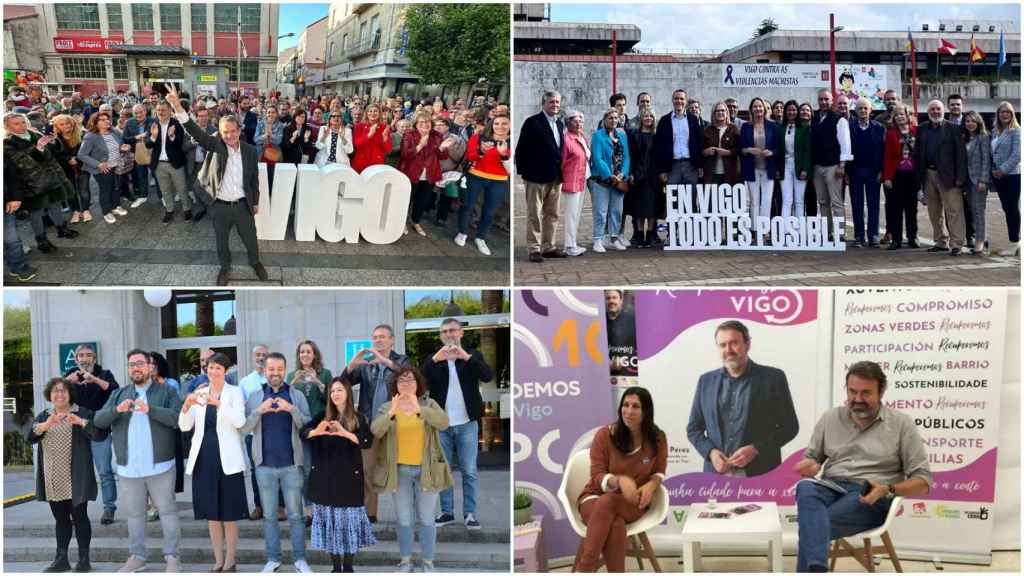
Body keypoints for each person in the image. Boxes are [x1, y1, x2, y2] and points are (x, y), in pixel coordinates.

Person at [793, 361, 932, 572]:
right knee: (805, 488)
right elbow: (813, 458)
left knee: (814, 522)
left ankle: (814, 569)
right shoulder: (831, 418)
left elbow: (923, 481)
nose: (857, 400)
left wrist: (889, 489)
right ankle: (817, 568)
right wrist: (810, 465)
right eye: (852, 391)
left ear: (881, 391)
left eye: (866, 393)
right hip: (831, 487)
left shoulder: (901, 424)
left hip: (870, 493)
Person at [167, 84, 268, 286]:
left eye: (232, 131)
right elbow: (196, 133)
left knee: (250, 238)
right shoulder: (216, 145)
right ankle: (225, 267)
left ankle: (255, 262)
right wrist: (178, 107)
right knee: (221, 241)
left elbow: (253, 180)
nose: (229, 135)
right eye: (225, 132)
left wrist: (255, 202)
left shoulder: (249, 151)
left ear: (239, 131)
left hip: (242, 206)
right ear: (220, 133)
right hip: (219, 206)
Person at [93, 349, 184, 573]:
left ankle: (172, 558)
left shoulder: (167, 391)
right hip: (128, 468)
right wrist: (117, 410)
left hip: (160, 466)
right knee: (134, 515)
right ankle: (137, 557)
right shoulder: (119, 394)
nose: (136, 367)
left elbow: (177, 418)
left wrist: (150, 409)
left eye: (140, 363)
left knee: (168, 512)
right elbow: (99, 420)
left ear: (150, 366)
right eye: (132, 364)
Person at [686, 320, 799, 477]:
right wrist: (711, 452)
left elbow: (790, 427)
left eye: (734, 343)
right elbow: (693, 429)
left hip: (761, 473)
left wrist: (756, 449)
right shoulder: (705, 381)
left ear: (747, 344)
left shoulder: (773, 378)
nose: (729, 350)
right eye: (723, 345)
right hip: (716, 475)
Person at [574, 387, 666, 572]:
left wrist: (651, 485)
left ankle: (584, 569)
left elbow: (659, 471)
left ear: (646, 411)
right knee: (615, 523)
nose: (629, 411)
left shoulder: (657, 438)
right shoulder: (605, 435)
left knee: (609, 503)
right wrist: (619, 481)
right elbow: (597, 474)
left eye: (636, 406)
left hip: (632, 502)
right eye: (625, 405)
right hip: (594, 497)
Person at [370, 368, 451, 573]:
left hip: (427, 470)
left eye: (410, 380)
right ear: (395, 385)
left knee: (426, 519)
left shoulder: (428, 404)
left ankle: (428, 563)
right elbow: (376, 430)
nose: (406, 384)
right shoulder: (388, 407)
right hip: (399, 472)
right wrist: (391, 413)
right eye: (401, 381)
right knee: (404, 520)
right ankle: (406, 561)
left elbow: (443, 423)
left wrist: (419, 409)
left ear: (418, 384)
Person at [242, 352, 313, 573]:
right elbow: (244, 428)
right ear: (264, 370)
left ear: (285, 370)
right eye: (271, 369)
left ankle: (300, 559)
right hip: (264, 466)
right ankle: (273, 558)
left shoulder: (296, 394)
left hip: (292, 465)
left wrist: (290, 409)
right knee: (270, 515)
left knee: (295, 515)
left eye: (279, 369)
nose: (275, 373)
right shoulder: (254, 396)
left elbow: (307, 424)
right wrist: (258, 411)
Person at [422, 318, 494, 530]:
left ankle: (470, 514)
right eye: (444, 331)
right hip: (442, 424)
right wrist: (436, 358)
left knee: (469, 470)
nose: (449, 334)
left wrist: (464, 356)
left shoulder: (473, 356)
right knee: (443, 469)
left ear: (461, 333)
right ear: (441, 336)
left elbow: (487, 375)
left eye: (453, 330)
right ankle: (446, 512)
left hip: (466, 424)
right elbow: (419, 380)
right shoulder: (434, 361)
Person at [179, 353, 247, 573]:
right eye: (210, 367)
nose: (213, 371)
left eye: (218, 368)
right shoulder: (199, 393)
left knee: (228, 514)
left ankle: (231, 560)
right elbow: (184, 426)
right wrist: (186, 406)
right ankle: (218, 560)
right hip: (204, 459)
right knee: (212, 515)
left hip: (228, 460)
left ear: (225, 371)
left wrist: (219, 405)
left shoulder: (234, 392)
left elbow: (240, 421)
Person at [302, 378, 377, 573]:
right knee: (330, 526)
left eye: (340, 390)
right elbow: (304, 432)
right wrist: (315, 432)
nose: (335, 394)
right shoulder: (322, 416)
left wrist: (345, 433)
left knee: (349, 524)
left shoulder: (358, 418)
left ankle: (348, 566)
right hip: (325, 479)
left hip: (349, 480)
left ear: (348, 393)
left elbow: (367, 440)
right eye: (332, 391)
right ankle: (336, 567)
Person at [28, 377, 99, 573]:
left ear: (70, 394)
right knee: (60, 518)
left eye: (63, 390)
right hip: (53, 475)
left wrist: (81, 422)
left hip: (76, 474)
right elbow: (31, 437)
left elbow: (98, 433)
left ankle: (84, 559)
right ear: (49, 396)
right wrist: (46, 425)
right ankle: (61, 559)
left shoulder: (82, 412)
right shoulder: (44, 415)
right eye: (55, 391)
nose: (59, 394)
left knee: (80, 516)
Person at [345, 324, 411, 522]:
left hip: (396, 424)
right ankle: (370, 514)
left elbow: (408, 376)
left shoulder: (402, 360)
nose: (378, 340)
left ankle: (406, 515)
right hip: (371, 426)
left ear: (392, 340)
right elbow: (344, 383)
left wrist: (384, 360)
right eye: (375, 337)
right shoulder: (367, 365)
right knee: (367, 470)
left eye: (382, 337)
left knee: (401, 470)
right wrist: (353, 363)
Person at [62, 344, 119, 525]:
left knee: (104, 472)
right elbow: (55, 394)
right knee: (75, 472)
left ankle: (109, 508)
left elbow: (115, 391)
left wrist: (94, 379)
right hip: (76, 431)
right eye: (81, 355)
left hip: (99, 430)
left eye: (88, 355)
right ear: (76, 359)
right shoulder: (70, 376)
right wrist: (68, 381)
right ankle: (76, 511)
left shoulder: (104, 374)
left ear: (94, 358)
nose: (85, 358)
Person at [3, 112, 74, 253]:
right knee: (36, 214)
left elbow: (53, 153)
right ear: (6, 127)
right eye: (16, 124)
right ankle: (41, 240)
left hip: (52, 178)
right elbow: (22, 164)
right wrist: (38, 149)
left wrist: (53, 141)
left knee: (56, 205)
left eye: (22, 122)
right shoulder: (7, 143)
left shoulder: (34, 133)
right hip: (32, 184)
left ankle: (62, 229)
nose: (21, 126)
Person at [915, 100, 968, 256]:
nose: (935, 112)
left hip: (949, 176)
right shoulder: (922, 128)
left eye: (938, 109)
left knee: (954, 210)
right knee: (934, 211)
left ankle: (957, 243)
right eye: (932, 109)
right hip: (928, 174)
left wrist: (960, 178)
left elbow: (961, 155)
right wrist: (920, 180)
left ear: (943, 111)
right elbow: (918, 154)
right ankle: (940, 241)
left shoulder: (953, 128)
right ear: (928, 111)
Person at [517, 91, 565, 262]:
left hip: (555, 176)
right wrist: (524, 172)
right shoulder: (532, 122)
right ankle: (534, 248)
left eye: (558, 102)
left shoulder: (559, 124)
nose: (555, 105)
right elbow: (521, 148)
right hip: (535, 176)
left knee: (553, 214)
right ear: (543, 103)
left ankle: (549, 246)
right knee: (534, 214)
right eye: (552, 102)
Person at [287, 340, 330, 525]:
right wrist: (294, 382)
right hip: (302, 429)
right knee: (306, 471)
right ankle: (310, 511)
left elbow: (331, 398)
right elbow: (285, 398)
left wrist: (318, 382)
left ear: (315, 354)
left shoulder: (325, 374)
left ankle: (325, 508)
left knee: (322, 469)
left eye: (308, 351)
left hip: (321, 426)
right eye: (301, 352)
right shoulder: (291, 375)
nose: (305, 355)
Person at [456, 113, 510, 256]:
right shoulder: (478, 137)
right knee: (467, 205)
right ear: (492, 124)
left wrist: (504, 155)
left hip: (499, 181)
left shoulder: (513, 141)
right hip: (475, 177)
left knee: (490, 211)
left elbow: (512, 169)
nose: (500, 126)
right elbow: (470, 156)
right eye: (497, 123)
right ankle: (462, 232)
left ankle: (480, 238)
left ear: (510, 125)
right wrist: (481, 151)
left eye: (504, 123)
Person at [810, 89, 853, 241]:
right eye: (821, 99)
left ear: (831, 101)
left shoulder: (839, 120)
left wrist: (842, 165)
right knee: (822, 201)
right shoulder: (813, 118)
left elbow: (845, 144)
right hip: (817, 166)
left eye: (826, 99)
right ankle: (827, 232)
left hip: (833, 166)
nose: (823, 102)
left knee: (836, 201)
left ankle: (840, 233)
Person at [78, 111, 132, 225]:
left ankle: (115, 206)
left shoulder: (114, 132)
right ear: (95, 123)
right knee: (106, 189)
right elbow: (81, 155)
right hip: (102, 169)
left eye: (107, 119)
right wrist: (98, 164)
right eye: (102, 119)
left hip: (117, 165)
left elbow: (120, 145)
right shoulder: (90, 136)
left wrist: (123, 147)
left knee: (116, 187)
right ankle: (106, 212)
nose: (107, 121)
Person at [590, 108, 631, 253]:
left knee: (616, 211)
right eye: (610, 118)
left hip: (619, 180)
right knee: (601, 211)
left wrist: (623, 174)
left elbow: (626, 157)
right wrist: (609, 175)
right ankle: (598, 239)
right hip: (602, 179)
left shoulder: (622, 134)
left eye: (615, 118)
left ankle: (613, 238)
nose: (613, 120)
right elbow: (597, 158)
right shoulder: (598, 135)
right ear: (604, 120)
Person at [882, 103, 920, 250]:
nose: (899, 117)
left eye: (902, 114)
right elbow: (888, 157)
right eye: (896, 115)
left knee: (912, 208)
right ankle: (896, 239)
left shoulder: (916, 131)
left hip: (912, 175)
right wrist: (887, 177)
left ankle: (912, 237)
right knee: (895, 208)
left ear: (908, 115)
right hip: (897, 175)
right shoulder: (891, 134)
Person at [401, 111, 445, 237]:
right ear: (415, 124)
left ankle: (416, 221)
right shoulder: (409, 135)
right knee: (407, 200)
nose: (425, 124)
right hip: (412, 173)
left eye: (427, 122)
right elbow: (405, 155)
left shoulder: (436, 136)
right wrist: (420, 145)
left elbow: (442, 156)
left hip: (429, 174)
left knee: (422, 201)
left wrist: (443, 148)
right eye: (421, 122)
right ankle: (402, 221)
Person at [848, 99, 886, 247]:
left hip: (873, 172)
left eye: (865, 108)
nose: (863, 111)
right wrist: (847, 172)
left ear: (870, 111)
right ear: (855, 111)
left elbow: (883, 152)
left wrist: (881, 171)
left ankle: (873, 236)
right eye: (860, 108)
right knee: (856, 205)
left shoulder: (879, 128)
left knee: (873, 205)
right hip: (855, 171)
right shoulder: (850, 128)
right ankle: (859, 236)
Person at [145, 101, 190, 223]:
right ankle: (169, 210)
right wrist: (153, 136)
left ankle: (187, 209)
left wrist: (171, 136)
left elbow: (180, 143)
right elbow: (148, 145)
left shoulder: (177, 123)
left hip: (175, 162)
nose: (161, 112)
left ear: (170, 111)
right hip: (159, 163)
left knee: (182, 188)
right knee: (165, 189)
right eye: (159, 110)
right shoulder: (153, 123)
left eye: (163, 110)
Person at [238, 345, 269, 520]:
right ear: (252, 357)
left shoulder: (274, 377)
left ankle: (279, 506)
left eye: (264, 355)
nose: (261, 357)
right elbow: (241, 409)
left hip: (272, 432)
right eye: (258, 355)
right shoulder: (245, 382)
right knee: (256, 470)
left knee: (275, 467)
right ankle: (258, 506)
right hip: (253, 434)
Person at [739, 98, 779, 230]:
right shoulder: (746, 126)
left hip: (768, 168)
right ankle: (755, 230)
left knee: (767, 201)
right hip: (752, 168)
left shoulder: (773, 125)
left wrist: (772, 152)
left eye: (760, 106)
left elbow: (779, 148)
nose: (758, 109)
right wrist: (749, 150)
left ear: (764, 108)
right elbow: (741, 149)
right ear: (751, 109)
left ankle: (765, 230)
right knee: (754, 202)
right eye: (755, 107)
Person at [654, 89, 703, 190]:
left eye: (682, 99)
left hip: (691, 166)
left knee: (691, 199)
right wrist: (662, 170)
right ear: (672, 100)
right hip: (672, 167)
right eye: (676, 98)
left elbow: (699, 143)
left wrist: (700, 165)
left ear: (685, 101)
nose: (679, 101)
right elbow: (659, 147)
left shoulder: (693, 119)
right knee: (673, 200)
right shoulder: (664, 121)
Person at [627, 109, 662, 247]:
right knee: (640, 207)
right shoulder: (635, 135)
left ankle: (651, 234)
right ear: (641, 118)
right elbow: (631, 156)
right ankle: (639, 234)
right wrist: (631, 173)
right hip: (639, 175)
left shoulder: (657, 136)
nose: (648, 118)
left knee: (652, 206)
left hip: (654, 176)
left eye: (651, 116)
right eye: (646, 116)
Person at [990, 100, 1021, 256]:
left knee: (1012, 208)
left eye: (1008, 112)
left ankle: (1016, 241)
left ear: (1012, 114)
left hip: (1012, 175)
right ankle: (1015, 240)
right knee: (1006, 208)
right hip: (998, 176)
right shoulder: (995, 131)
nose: (1005, 114)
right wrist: (994, 171)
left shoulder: (1016, 131)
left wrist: (1002, 170)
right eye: (1002, 112)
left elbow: (1017, 155)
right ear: (998, 114)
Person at [49, 114, 93, 223]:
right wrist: (68, 159)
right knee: (70, 192)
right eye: (62, 124)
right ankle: (76, 211)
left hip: (82, 167)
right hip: (65, 169)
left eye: (68, 123)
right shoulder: (54, 139)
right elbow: (53, 155)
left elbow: (89, 151)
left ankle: (86, 210)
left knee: (84, 190)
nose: (66, 126)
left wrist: (77, 160)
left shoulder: (82, 134)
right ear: (57, 126)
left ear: (72, 123)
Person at [560, 109, 591, 256]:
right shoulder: (566, 139)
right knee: (571, 214)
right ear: (568, 122)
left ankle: (572, 243)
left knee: (577, 213)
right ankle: (569, 246)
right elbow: (562, 162)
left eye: (581, 121)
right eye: (575, 120)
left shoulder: (582, 137)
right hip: (571, 180)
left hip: (582, 180)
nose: (578, 123)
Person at [183, 105, 219, 224]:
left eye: (205, 116)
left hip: (208, 165)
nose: (203, 118)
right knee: (196, 188)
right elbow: (183, 147)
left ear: (208, 117)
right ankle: (200, 209)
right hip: (194, 164)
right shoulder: (189, 130)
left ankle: (211, 209)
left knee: (210, 188)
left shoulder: (214, 130)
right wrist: (192, 142)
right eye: (200, 116)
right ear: (196, 117)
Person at [963, 111, 992, 255]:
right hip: (967, 181)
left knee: (979, 211)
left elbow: (986, 160)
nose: (970, 123)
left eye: (973, 121)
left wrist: (984, 180)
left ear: (978, 122)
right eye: (967, 121)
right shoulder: (966, 138)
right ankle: (983, 236)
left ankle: (980, 241)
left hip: (978, 180)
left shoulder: (983, 137)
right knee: (973, 211)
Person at [3, 159, 37, 281]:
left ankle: (18, 266)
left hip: (4, 206)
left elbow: (11, 175)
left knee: (12, 239)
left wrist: (15, 198)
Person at [778, 100, 811, 217]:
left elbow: (808, 151)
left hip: (800, 167)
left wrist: (805, 169)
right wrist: (778, 169)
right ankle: (785, 231)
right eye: (789, 110)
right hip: (785, 166)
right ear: (785, 112)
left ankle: (798, 230)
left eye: (794, 110)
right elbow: (778, 151)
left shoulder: (804, 128)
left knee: (799, 200)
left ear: (797, 112)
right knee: (787, 200)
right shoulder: (780, 128)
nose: (791, 112)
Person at [433, 117, 466, 227]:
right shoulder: (430, 137)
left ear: (447, 126)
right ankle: (426, 209)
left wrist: (449, 148)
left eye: (441, 125)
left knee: (446, 197)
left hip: (450, 172)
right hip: (433, 170)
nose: (438, 127)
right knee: (430, 193)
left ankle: (441, 218)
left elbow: (460, 158)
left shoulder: (457, 139)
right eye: (436, 125)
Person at [123, 104, 154, 209]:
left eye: (141, 112)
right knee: (141, 175)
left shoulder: (153, 121)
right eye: (136, 113)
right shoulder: (129, 122)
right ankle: (143, 196)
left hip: (152, 151)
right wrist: (137, 137)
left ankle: (163, 196)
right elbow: (125, 139)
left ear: (145, 111)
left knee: (157, 175)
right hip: (137, 152)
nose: (138, 115)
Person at [701, 101, 740, 187]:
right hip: (711, 173)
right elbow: (700, 150)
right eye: (717, 111)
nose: (720, 113)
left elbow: (739, 149)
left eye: (723, 110)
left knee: (728, 199)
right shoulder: (708, 130)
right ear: (713, 113)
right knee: (712, 199)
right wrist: (706, 152)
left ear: (727, 112)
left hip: (730, 172)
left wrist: (728, 152)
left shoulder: (733, 129)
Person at [605, 290, 637, 379]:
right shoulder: (599, 321)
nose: (611, 301)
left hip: (630, 374)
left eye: (614, 298)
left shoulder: (633, 320)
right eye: (608, 298)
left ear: (621, 300)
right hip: (605, 375)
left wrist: (625, 360)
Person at [352, 103, 392, 172]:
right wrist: (368, 135)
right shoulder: (359, 126)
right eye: (370, 111)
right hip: (361, 163)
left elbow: (388, 150)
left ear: (379, 113)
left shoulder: (384, 128)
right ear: (366, 113)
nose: (372, 113)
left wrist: (385, 139)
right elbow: (356, 144)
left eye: (375, 111)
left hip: (376, 164)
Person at [255, 106, 284, 190]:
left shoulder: (280, 125)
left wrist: (271, 135)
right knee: (261, 180)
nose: (270, 114)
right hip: (261, 155)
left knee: (272, 179)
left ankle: (272, 197)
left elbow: (278, 141)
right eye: (269, 112)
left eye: (273, 112)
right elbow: (255, 139)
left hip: (273, 155)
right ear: (266, 113)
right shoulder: (260, 124)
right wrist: (265, 136)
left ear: (276, 114)